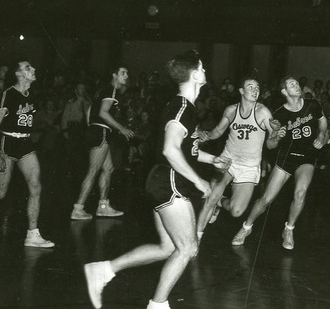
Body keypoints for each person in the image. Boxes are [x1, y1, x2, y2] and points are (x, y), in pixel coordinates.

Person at [84, 50, 231, 309]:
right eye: (203, 68)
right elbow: (170, 150)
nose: (206, 72)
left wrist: (212, 160)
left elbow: (187, 149)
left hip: (163, 180)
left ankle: (104, 270)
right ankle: (157, 304)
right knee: (188, 248)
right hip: (170, 182)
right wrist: (199, 181)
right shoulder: (183, 107)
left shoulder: (184, 106)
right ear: (195, 74)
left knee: (167, 248)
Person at [231, 77, 328, 249]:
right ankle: (246, 227)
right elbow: (269, 145)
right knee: (266, 199)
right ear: (284, 91)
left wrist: (321, 134)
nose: (297, 86)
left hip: (307, 158)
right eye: (292, 85)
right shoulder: (278, 114)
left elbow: (323, 121)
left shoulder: (312, 104)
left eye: (297, 84)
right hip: (286, 158)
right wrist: (276, 135)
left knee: (300, 194)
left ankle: (289, 229)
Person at [195, 74, 276, 239]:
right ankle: (196, 238)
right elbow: (218, 131)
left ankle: (220, 201)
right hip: (228, 159)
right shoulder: (231, 110)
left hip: (249, 166)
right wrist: (206, 136)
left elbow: (271, 144)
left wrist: (276, 135)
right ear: (241, 90)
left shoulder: (263, 112)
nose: (255, 90)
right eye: (251, 87)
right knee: (211, 197)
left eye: (257, 87)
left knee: (236, 211)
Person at [0, 59, 54, 248]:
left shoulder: (31, 95)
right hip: (7, 143)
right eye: (28, 67)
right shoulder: (7, 95)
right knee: (0, 193)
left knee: (36, 186)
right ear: (19, 74)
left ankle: (32, 235)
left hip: (25, 144)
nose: (33, 69)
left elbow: (25, 123)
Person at [71, 66, 135, 220]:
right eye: (122, 73)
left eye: (127, 72)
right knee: (93, 170)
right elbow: (103, 112)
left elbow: (89, 113)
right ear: (114, 75)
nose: (126, 75)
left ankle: (103, 206)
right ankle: (78, 208)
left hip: (98, 131)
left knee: (108, 169)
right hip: (102, 131)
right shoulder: (112, 90)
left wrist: (92, 128)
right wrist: (121, 128)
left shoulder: (102, 90)